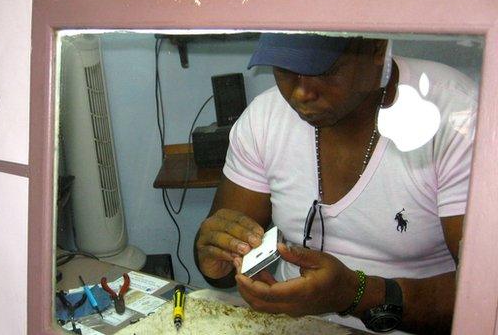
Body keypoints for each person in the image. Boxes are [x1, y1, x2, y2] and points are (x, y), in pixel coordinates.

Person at [194, 33, 477, 334]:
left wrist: (356, 295)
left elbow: (486, 295)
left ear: (376, 50)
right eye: (286, 68)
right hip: (294, 327)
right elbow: (223, 257)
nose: (302, 92)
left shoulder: (455, 117)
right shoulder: (265, 119)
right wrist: (214, 260)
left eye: (324, 71)